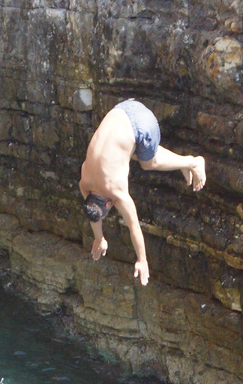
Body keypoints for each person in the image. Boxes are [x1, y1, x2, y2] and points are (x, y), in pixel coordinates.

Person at [79, 100, 206, 286]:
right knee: (138, 152)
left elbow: (134, 227)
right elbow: (92, 210)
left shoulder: (117, 193)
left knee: (148, 163)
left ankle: (193, 163)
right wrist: (99, 239)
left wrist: (142, 260)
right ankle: (182, 163)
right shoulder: (85, 182)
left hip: (143, 123)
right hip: (123, 108)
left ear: (108, 204)